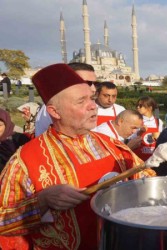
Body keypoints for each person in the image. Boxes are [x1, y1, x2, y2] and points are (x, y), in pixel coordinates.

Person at [0, 63, 155, 250]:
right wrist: (42, 201)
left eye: (91, 98)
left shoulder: (111, 144)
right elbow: (3, 220)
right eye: (81, 102)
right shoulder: (26, 160)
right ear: (55, 112)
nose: (93, 106)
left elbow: (146, 181)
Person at [35, 62, 98, 137]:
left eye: (95, 83)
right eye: (87, 83)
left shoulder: (92, 104)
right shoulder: (55, 106)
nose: (94, 89)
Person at [132, 96, 164, 161]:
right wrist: (140, 132)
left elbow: (162, 140)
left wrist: (158, 136)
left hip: (153, 157)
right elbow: (130, 139)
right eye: (137, 105)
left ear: (149, 108)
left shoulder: (158, 121)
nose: (138, 107)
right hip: (138, 157)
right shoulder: (136, 120)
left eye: (140, 106)